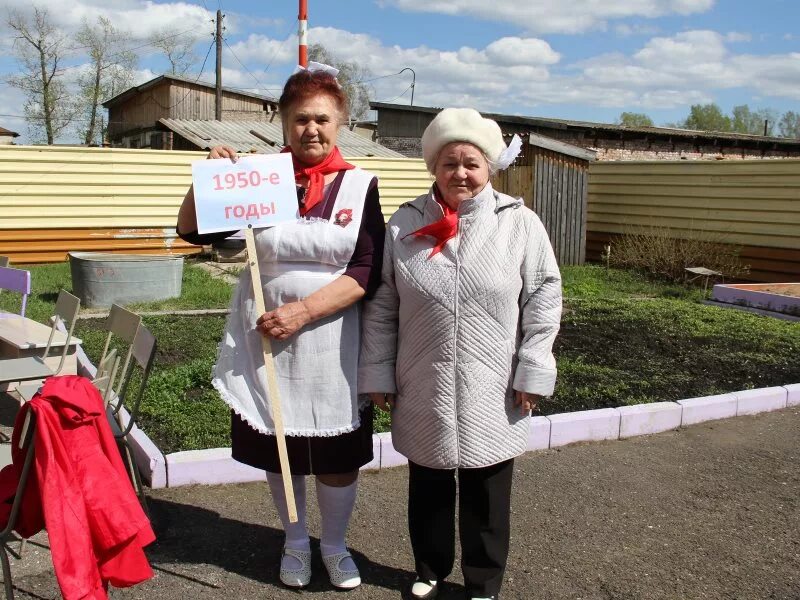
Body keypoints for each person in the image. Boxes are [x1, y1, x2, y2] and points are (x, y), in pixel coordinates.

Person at [176, 65, 385, 591]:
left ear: (342, 122)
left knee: (337, 456)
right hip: (265, 337)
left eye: (322, 119)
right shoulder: (258, 177)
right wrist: (207, 180)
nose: (310, 130)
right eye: (299, 120)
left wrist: (303, 311)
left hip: (334, 340)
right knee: (281, 446)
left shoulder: (360, 185)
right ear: (283, 123)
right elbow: (192, 232)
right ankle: (295, 542)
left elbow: (366, 267)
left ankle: (334, 547)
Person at [359, 108, 562, 600]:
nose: (461, 174)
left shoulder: (519, 223)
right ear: (434, 167)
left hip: (494, 382)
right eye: (450, 163)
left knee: (488, 491)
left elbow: (544, 294)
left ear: (489, 166)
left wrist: (532, 369)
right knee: (427, 485)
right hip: (422, 378)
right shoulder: (406, 224)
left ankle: (483, 582)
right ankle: (429, 569)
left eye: (471, 163)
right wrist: (379, 371)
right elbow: (384, 301)